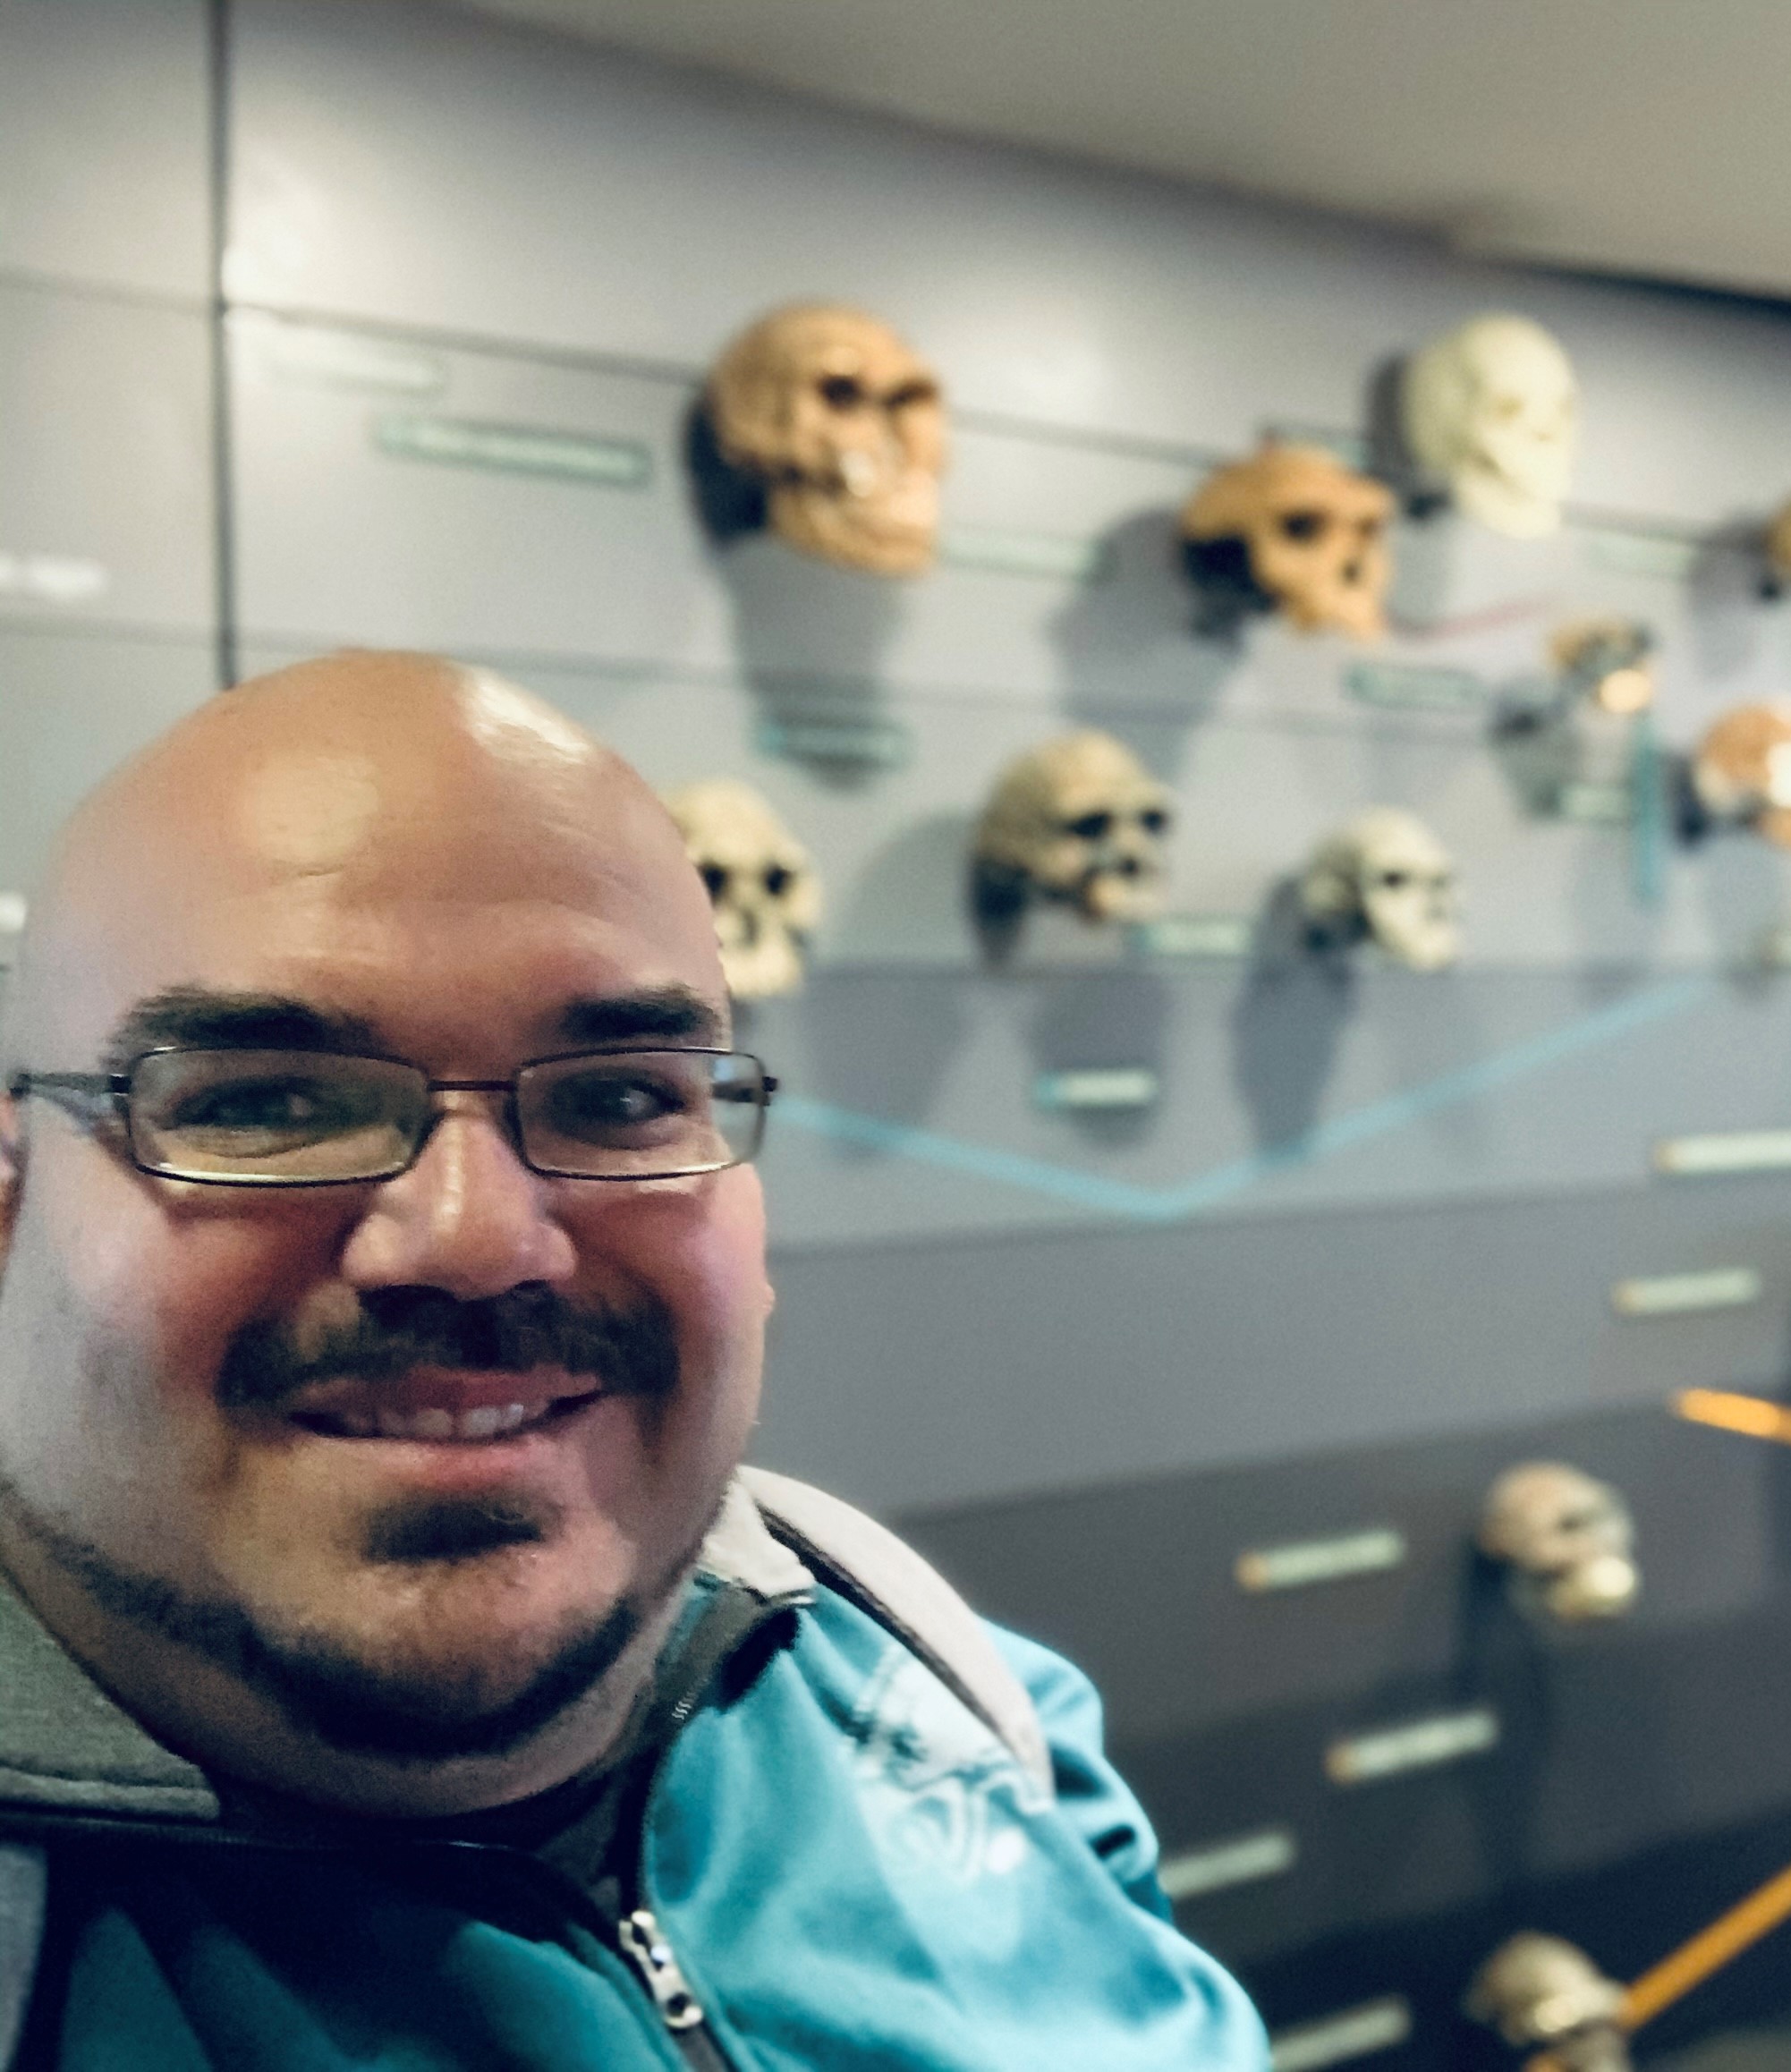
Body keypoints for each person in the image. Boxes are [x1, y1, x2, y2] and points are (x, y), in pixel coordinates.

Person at [0, 651, 1270, 2069]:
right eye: (267, 1106)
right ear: (11, 1204)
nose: (479, 1242)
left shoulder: (940, 1686)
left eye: (618, 1098)